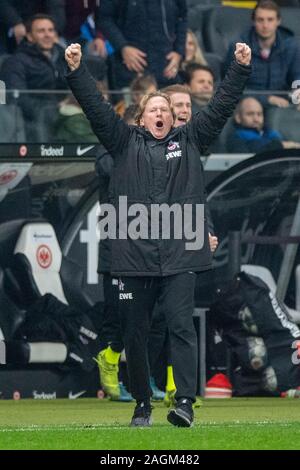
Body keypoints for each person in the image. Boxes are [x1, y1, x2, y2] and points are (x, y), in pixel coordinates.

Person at [65, 41, 251, 427]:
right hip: (133, 257)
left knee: (181, 325)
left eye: (165, 110)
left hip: (181, 254)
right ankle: (142, 405)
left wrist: (239, 67)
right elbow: (96, 109)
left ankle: (183, 402)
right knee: (135, 332)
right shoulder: (122, 142)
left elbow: (221, 106)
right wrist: (77, 69)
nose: (161, 114)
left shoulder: (190, 140)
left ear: (173, 118)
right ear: (141, 119)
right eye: (154, 109)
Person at [0, 14, 68, 140]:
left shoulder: (66, 58)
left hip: (67, 116)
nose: (47, 34)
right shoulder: (15, 62)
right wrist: (54, 109)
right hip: (34, 123)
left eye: (50, 30)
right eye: (41, 31)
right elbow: (17, 99)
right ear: (30, 36)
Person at [97, 0, 187, 90]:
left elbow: (182, 18)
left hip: (165, 63)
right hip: (130, 63)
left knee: (168, 100)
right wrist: (123, 46)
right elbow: (104, 18)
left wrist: (179, 52)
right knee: (130, 101)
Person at [226, 0, 300, 107]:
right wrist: (267, 99)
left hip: (283, 106)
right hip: (247, 105)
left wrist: (298, 90)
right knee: (251, 105)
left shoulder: (291, 45)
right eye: (260, 20)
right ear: (253, 21)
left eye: (270, 20)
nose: (265, 25)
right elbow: (232, 86)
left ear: (278, 21)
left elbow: (297, 76)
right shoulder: (239, 47)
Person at [228, 96, 300, 152]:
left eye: (259, 114)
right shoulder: (236, 136)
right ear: (238, 118)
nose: (256, 119)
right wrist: (282, 145)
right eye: (250, 114)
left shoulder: (269, 132)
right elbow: (256, 148)